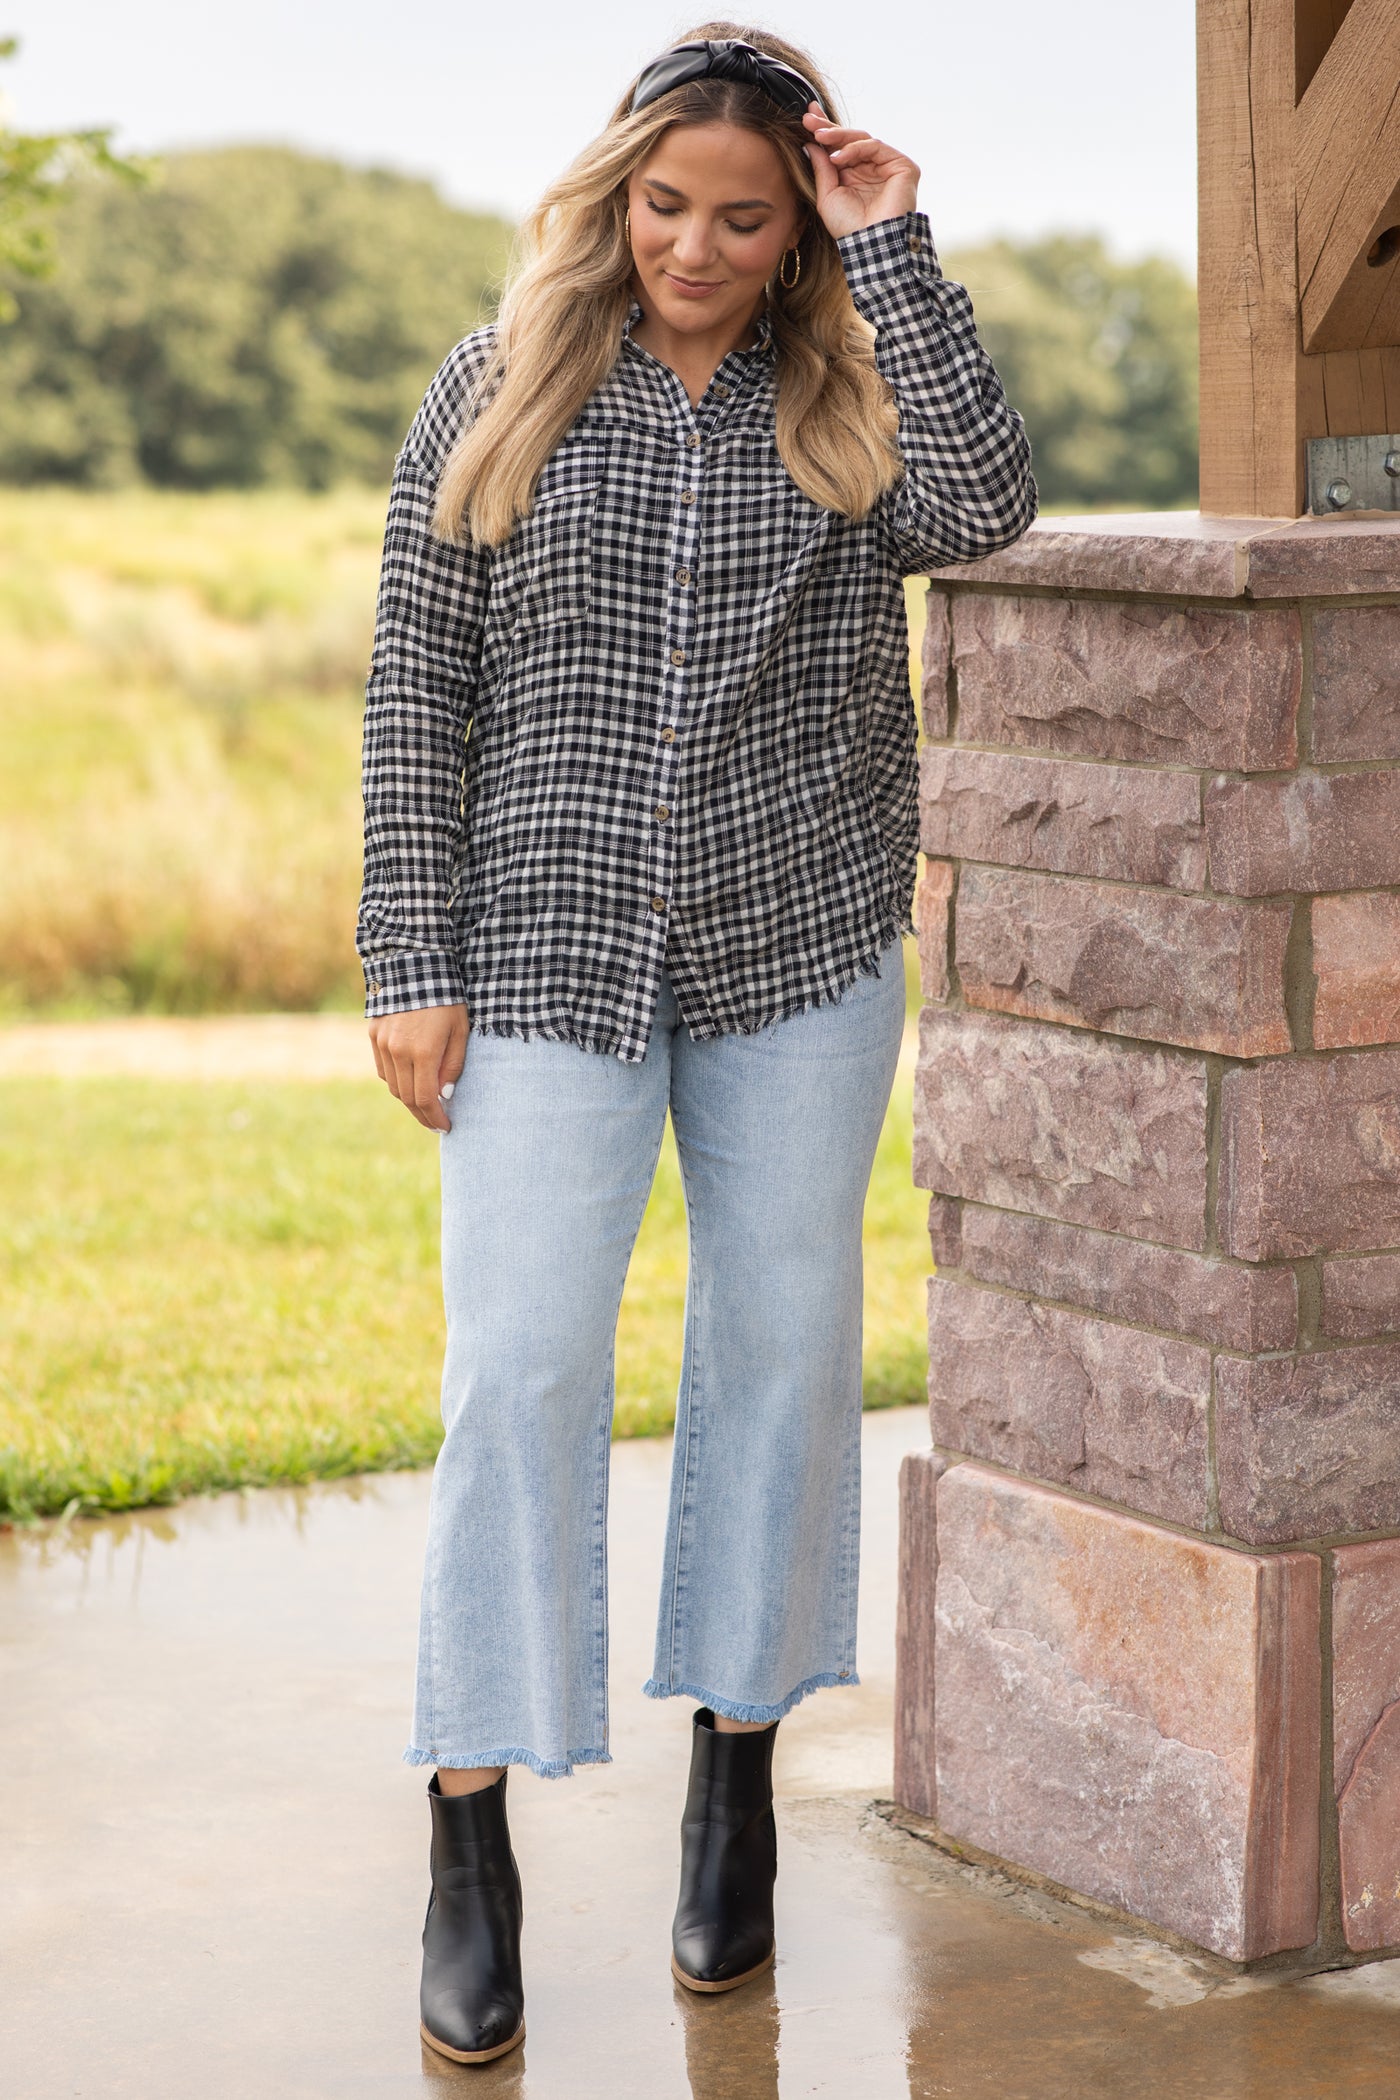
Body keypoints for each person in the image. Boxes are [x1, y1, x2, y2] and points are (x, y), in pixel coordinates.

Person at [358, 22, 1035, 2067]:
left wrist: (893, 247)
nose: (698, 248)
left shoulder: (850, 387)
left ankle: (733, 1778)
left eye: (744, 218)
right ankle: (468, 1825)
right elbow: (415, 690)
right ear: (614, 187)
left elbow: (989, 512)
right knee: (523, 1363)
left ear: (793, 218)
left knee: (779, 1354)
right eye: (669, 206)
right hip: (543, 951)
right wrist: (408, 950)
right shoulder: (497, 387)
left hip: (798, 951)